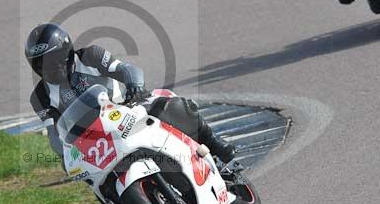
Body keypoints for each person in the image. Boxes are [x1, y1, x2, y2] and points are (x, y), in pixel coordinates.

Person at [25, 22, 237, 169]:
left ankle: (214, 143)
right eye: (40, 63)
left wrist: (135, 86)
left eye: (52, 59)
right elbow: (53, 133)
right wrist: (63, 152)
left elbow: (127, 70)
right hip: (96, 139)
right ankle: (126, 203)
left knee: (170, 103)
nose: (47, 67)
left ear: (65, 51)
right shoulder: (40, 96)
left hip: (128, 108)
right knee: (84, 172)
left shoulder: (90, 55)